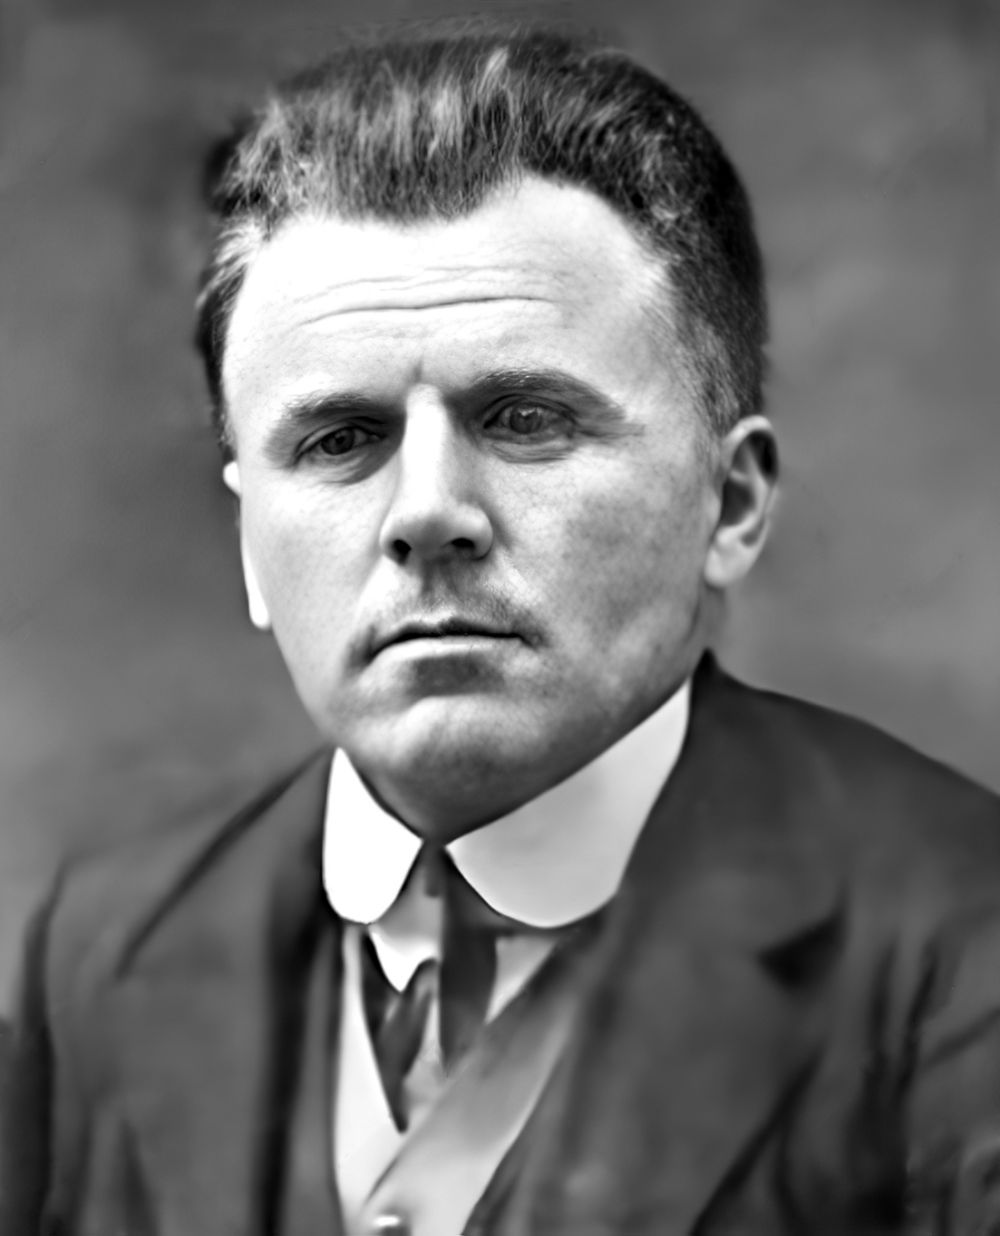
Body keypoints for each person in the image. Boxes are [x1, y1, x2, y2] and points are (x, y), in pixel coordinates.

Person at [3, 23, 1000, 1236]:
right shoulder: (102, 961)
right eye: (339, 440)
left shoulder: (959, 939)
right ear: (250, 542)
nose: (426, 512)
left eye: (524, 419)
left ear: (730, 504)